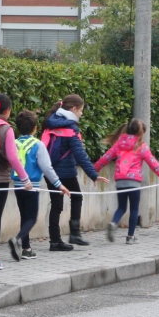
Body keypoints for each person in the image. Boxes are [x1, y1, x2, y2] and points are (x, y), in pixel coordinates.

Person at [42, 94, 109, 250]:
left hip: (50, 171)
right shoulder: (71, 127)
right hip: (66, 171)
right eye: (81, 110)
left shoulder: (50, 122)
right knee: (77, 197)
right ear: (73, 109)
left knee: (56, 205)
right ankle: (74, 233)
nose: (81, 114)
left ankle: (54, 240)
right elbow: (80, 155)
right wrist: (93, 174)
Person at [0, 93, 32, 271]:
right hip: (0, 180)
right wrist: (25, 179)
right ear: (7, 110)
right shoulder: (7, 129)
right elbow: (13, 157)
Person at [94, 119, 159, 244]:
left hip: (120, 182)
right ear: (140, 133)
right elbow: (153, 164)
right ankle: (130, 237)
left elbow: (105, 158)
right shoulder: (141, 147)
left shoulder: (119, 144)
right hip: (134, 183)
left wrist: (94, 171)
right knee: (134, 209)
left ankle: (114, 222)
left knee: (121, 207)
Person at [8, 110, 69, 261]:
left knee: (24, 215)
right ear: (35, 128)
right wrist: (59, 185)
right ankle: (18, 239)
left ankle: (26, 249)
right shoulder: (38, 145)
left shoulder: (14, 143)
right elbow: (47, 168)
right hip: (32, 185)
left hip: (17, 184)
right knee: (32, 217)